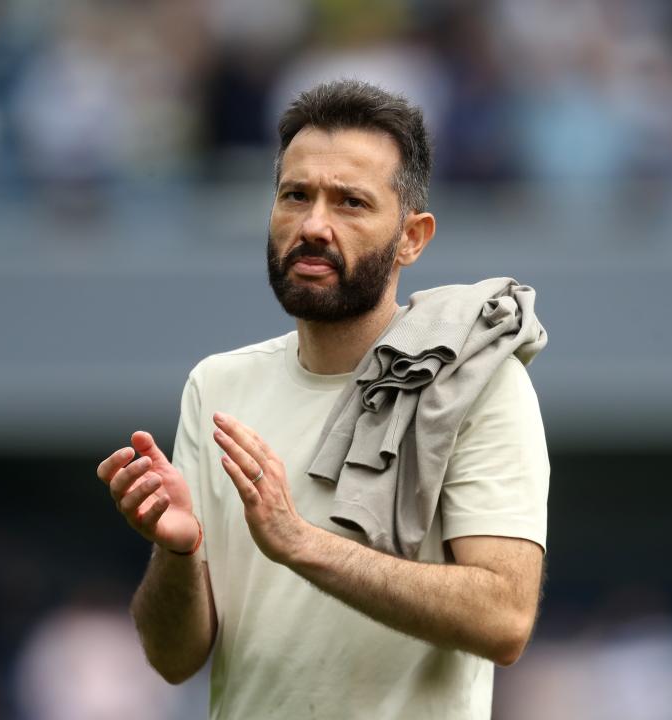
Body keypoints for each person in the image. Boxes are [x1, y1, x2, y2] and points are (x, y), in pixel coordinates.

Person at [96, 79, 549, 719]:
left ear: (412, 237)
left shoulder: (480, 385)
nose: (313, 225)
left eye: (351, 203)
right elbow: (175, 660)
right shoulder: (217, 386)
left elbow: (505, 618)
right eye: (295, 196)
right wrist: (179, 552)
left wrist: (300, 542)